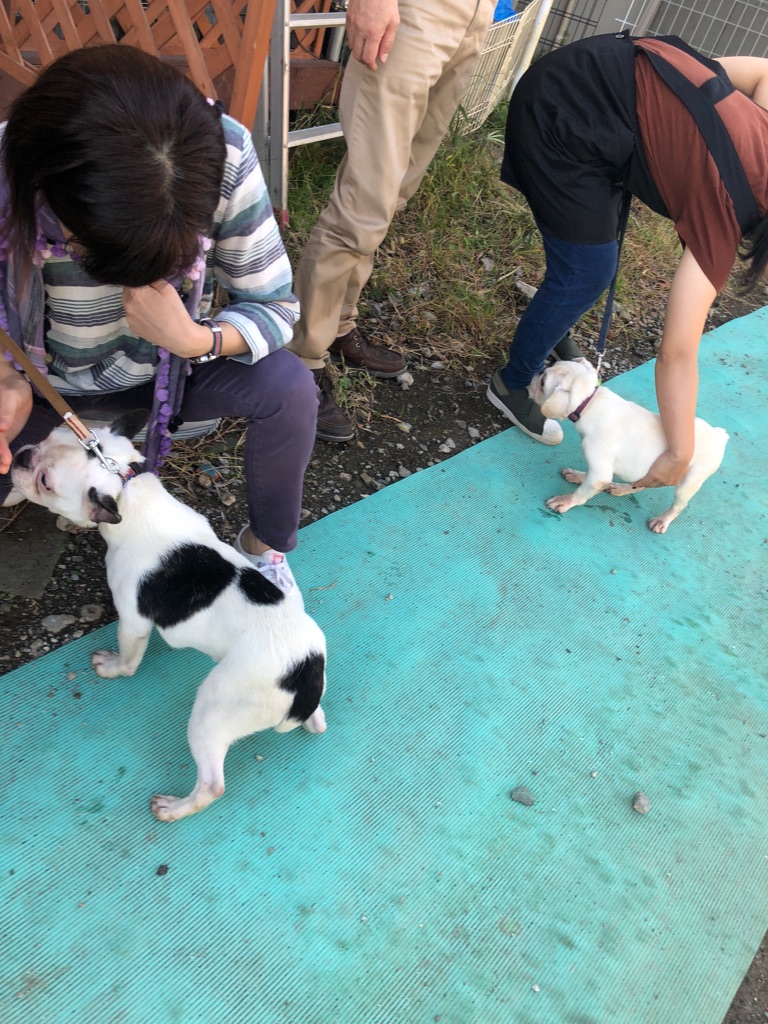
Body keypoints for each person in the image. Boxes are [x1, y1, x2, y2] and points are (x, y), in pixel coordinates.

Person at [0, 45, 317, 599]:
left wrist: (195, 339)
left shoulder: (222, 155)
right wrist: (5, 374)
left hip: (169, 378)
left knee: (288, 387)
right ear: (43, 182)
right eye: (85, 243)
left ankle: (263, 547)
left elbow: (275, 306)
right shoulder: (9, 167)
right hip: (36, 391)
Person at [487, 32, 768, 492]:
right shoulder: (726, 215)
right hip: (565, 108)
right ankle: (513, 384)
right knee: (587, 270)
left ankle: (552, 330)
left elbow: (762, 72)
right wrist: (680, 452)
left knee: (591, 252)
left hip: (604, 72)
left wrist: (668, 107)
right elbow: (677, 352)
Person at [287, 0, 496, 442]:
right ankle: (301, 356)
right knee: (364, 203)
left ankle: (337, 323)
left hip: (473, 15)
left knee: (394, 193)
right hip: (413, 12)